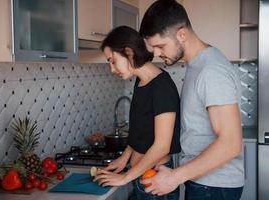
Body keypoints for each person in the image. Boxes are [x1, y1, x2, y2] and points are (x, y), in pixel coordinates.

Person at [139, 1, 244, 199]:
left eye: (160, 46)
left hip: (213, 187)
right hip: (204, 182)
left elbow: (231, 143)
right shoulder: (198, 64)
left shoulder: (212, 71)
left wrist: (174, 177)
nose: (157, 54)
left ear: (182, 34)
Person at [94, 25, 181, 200]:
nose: (112, 69)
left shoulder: (161, 86)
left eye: (112, 60)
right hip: (142, 176)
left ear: (129, 53)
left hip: (155, 180)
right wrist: (125, 158)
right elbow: (141, 132)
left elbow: (162, 146)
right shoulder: (141, 82)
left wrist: (125, 177)